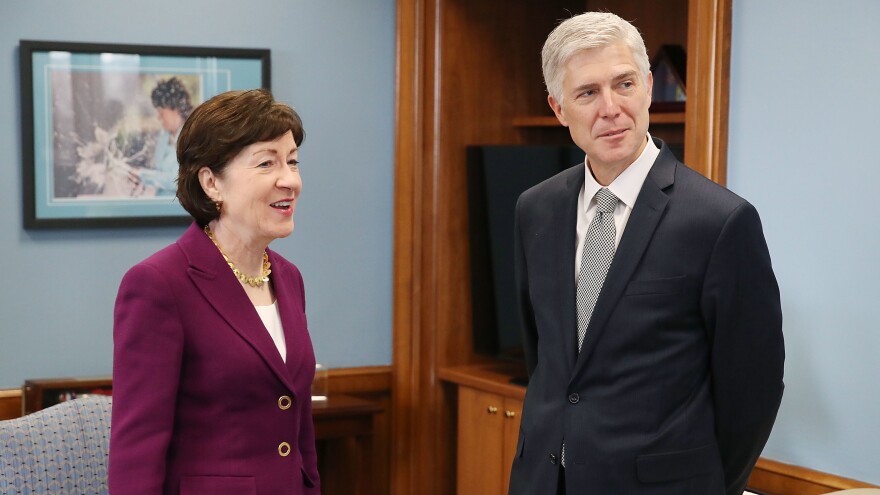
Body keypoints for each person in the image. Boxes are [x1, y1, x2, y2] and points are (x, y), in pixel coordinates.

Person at [508, 12, 784, 495]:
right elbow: (547, 359)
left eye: (624, 84)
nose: (611, 108)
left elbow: (753, 391)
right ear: (558, 108)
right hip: (543, 481)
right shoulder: (535, 209)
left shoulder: (719, 221)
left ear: (649, 86)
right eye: (588, 93)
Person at [109, 89, 320, 494]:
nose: (290, 179)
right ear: (211, 183)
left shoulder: (289, 277)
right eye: (267, 163)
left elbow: (298, 427)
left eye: (292, 161)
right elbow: (137, 451)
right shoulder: (157, 284)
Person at [139, 77, 193, 195]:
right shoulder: (164, 136)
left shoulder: (193, 137)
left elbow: (179, 181)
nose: (158, 117)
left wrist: (143, 175)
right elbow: (159, 172)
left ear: (175, 108)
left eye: (161, 111)